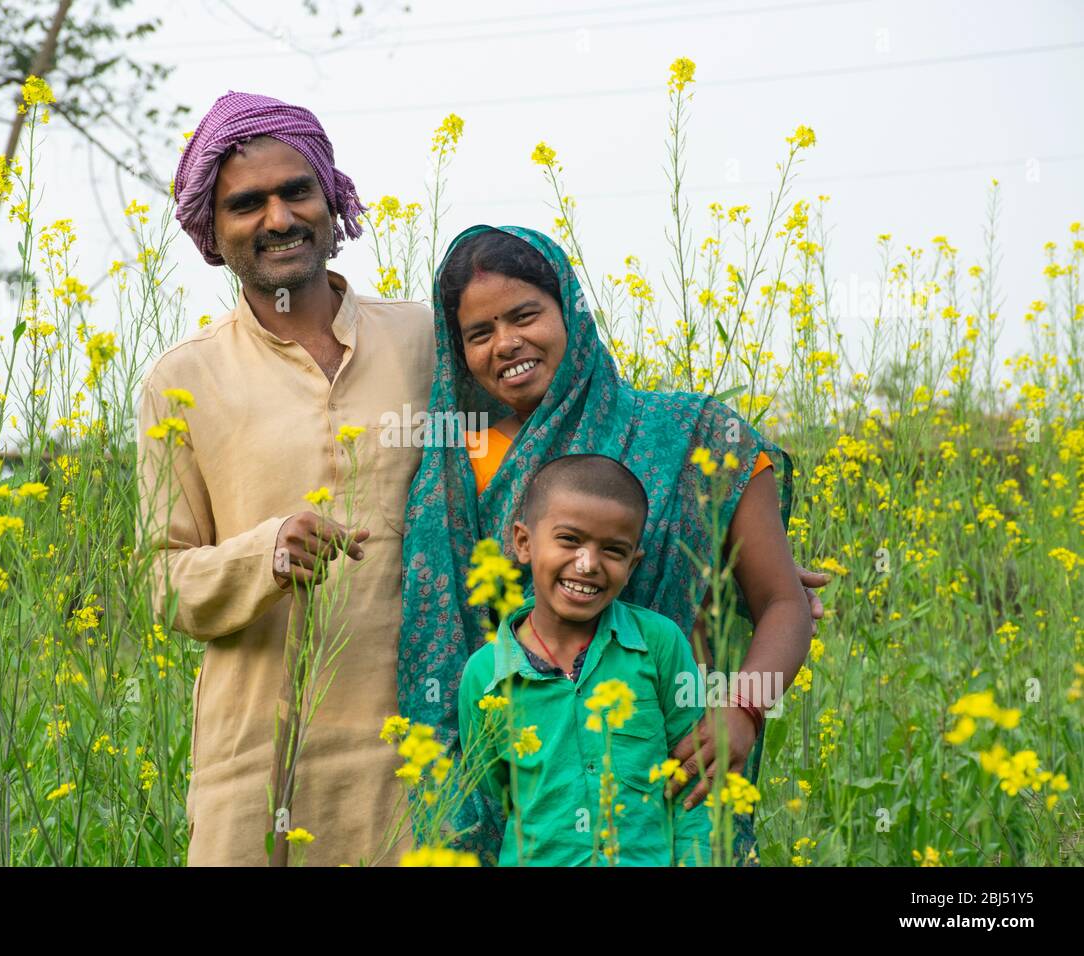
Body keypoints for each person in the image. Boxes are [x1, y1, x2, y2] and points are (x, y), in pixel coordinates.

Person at [400, 225, 821, 864]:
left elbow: (783, 602)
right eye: (478, 333)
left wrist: (745, 710)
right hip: (528, 808)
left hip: (676, 785)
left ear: (568, 309)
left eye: (524, 315)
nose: (505, 343)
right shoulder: (453, 466)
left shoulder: (698, 435)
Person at [139, 91, 433, 865]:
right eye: (246, 203)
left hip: (419, 752)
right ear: (214, 229)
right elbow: (163, 581)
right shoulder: (183, 378)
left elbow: (548, 462)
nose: (278, 218)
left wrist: (739, 517)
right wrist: (266, 552)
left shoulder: (426, 339)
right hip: (256, 764)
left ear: (331, 199)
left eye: (296, 190)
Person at [458, 454, 712, 866]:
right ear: (523, 543)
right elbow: (495, 789)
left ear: (633, 566)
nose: (588, 564)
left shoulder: (660, 643)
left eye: (613, 551)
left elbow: (693, 780)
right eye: (570, 540)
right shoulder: (485, 675)